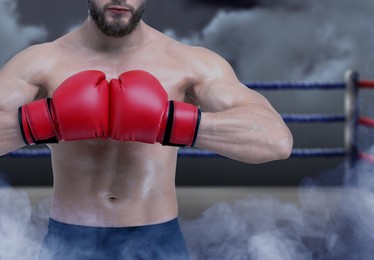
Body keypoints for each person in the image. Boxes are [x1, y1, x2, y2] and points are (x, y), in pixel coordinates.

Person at [0, 0, 293, 258]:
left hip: (156, 243)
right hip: (68, 241)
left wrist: (170, 121)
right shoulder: (42, 62)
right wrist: (45, 121)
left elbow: (276, 140)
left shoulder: (186, 63)